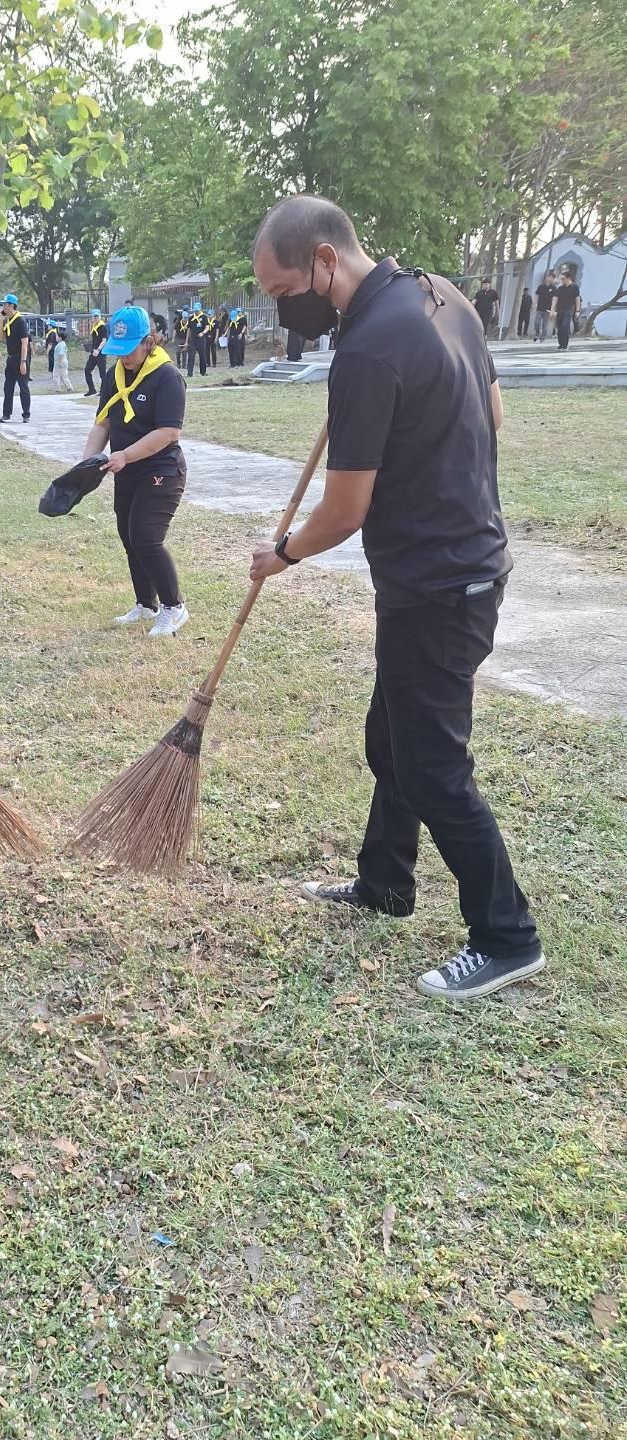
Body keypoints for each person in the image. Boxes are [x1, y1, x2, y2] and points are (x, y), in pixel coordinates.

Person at [248, 194, 544, 1002]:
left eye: (280, 292)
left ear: (322, 263)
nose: (283, 309)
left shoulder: (369, 349)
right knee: (393, 738)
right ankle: (386, 881)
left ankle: (507, 934)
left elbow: (344, 510)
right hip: (461, 567)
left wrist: (281, 551)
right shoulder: (440, 296)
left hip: (438, 584)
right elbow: (493, 413)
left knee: (432, 764)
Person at [81, 306, 189, 639]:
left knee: (146, 536)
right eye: (119, 350)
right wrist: (85, 464)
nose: (124, 357)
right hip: (126, 469)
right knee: (129, 537)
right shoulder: (114, 375)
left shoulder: (167, 377)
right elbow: (105, 421)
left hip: (161, 469)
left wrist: (125, 455)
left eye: (130, 350)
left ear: (149, 341)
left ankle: (174, 608)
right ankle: (146, 603)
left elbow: (169, 432)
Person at [0, 293, 31, 423]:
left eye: (5, 305)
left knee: (23, 386)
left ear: (11, 306)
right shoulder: (8, 320)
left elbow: (25, 343)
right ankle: (6, 414)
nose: (3, 307)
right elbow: (1, 338)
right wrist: (1, 320)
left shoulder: (20, 321)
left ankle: (26, 414)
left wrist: (23, 362)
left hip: (21, 357)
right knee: (8, 387)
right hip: (11, 358)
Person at [553, 271, 581, 350]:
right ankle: (561, 344)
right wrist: (553, 309)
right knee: (559, 327)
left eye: (563, 279)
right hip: (560, 309)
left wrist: (577, 310)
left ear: (568, 278)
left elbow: (577, 299)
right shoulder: (560, 288)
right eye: (561, 279)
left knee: (565, 326)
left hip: (569, 309)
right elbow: (555, 299)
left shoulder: (575, 287)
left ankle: (565, 344)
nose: (562, 280)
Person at [84, 309, 107, 397]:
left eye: (97, 316)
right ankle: (92, 389)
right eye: (94, 316)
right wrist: (93, 350)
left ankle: (103, 391)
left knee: (102, 374)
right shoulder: (94, 326)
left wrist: (98, 350)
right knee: (87, 370)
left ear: (100, 317)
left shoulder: (102, 327)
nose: (96, 318)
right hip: (93, 353)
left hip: (101, 353)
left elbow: (104, 340)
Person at [186, 301, 208, 378]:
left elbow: (207, 327)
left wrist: (203, 333)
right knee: (191, 356)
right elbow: (189, 329)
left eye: (197, 310)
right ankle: (189, 373)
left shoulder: (204, 317)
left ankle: (203, 372)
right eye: (195, 310)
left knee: (202, 356)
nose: (196, 312)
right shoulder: (191, 318)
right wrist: (187, 341)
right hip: (193, 340)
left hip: (201, 340)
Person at [532, 273, 556, 343]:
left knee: (545, 324)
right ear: (546, 277)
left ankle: (543, 337)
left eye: (552, 278)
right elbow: (536, 296)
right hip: (539, 308)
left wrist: (552, 309)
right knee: (537, 322)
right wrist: (535, 304)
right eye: (549, 277)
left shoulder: (554, 289)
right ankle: (537, 333)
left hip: (547, 309)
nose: (550, 279)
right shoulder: (541, 287)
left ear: (553, 280)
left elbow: (554, 300)